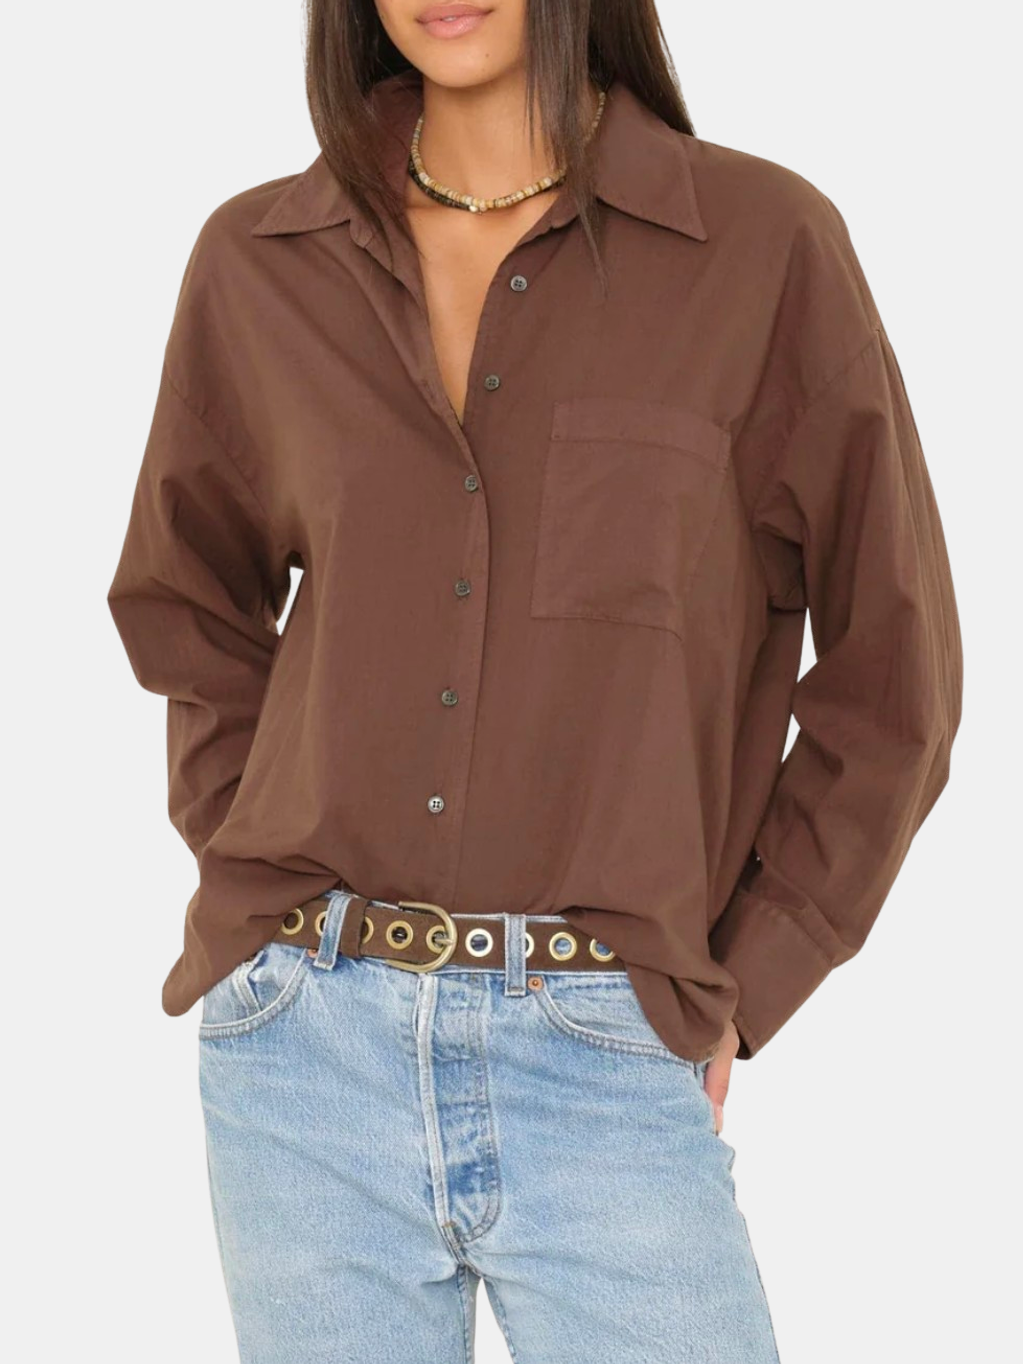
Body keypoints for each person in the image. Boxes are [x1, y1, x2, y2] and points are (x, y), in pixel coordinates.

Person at [105, 1, 963, 1360]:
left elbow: (893, 673)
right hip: (303, 1054)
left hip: (605, 1040)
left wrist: (743, 978)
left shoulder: (762, 250)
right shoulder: (258, 262)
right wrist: (253, 879)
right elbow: (187, 601)